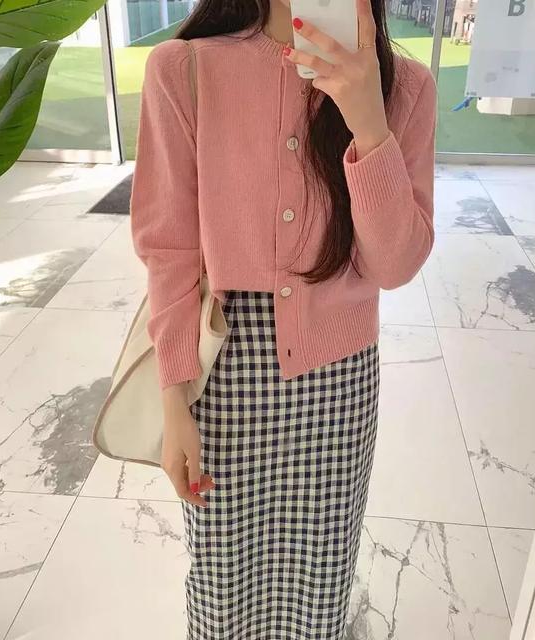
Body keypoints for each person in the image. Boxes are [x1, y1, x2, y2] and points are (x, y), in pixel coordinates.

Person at [129, 0, 436, 638]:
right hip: (224, 375)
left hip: (339, 379)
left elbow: (395, 266)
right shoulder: (184, 69)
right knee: (223, 578)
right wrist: (173, 398)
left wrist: (368, 125)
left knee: (322, 574)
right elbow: (170, 249)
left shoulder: (406, 87)